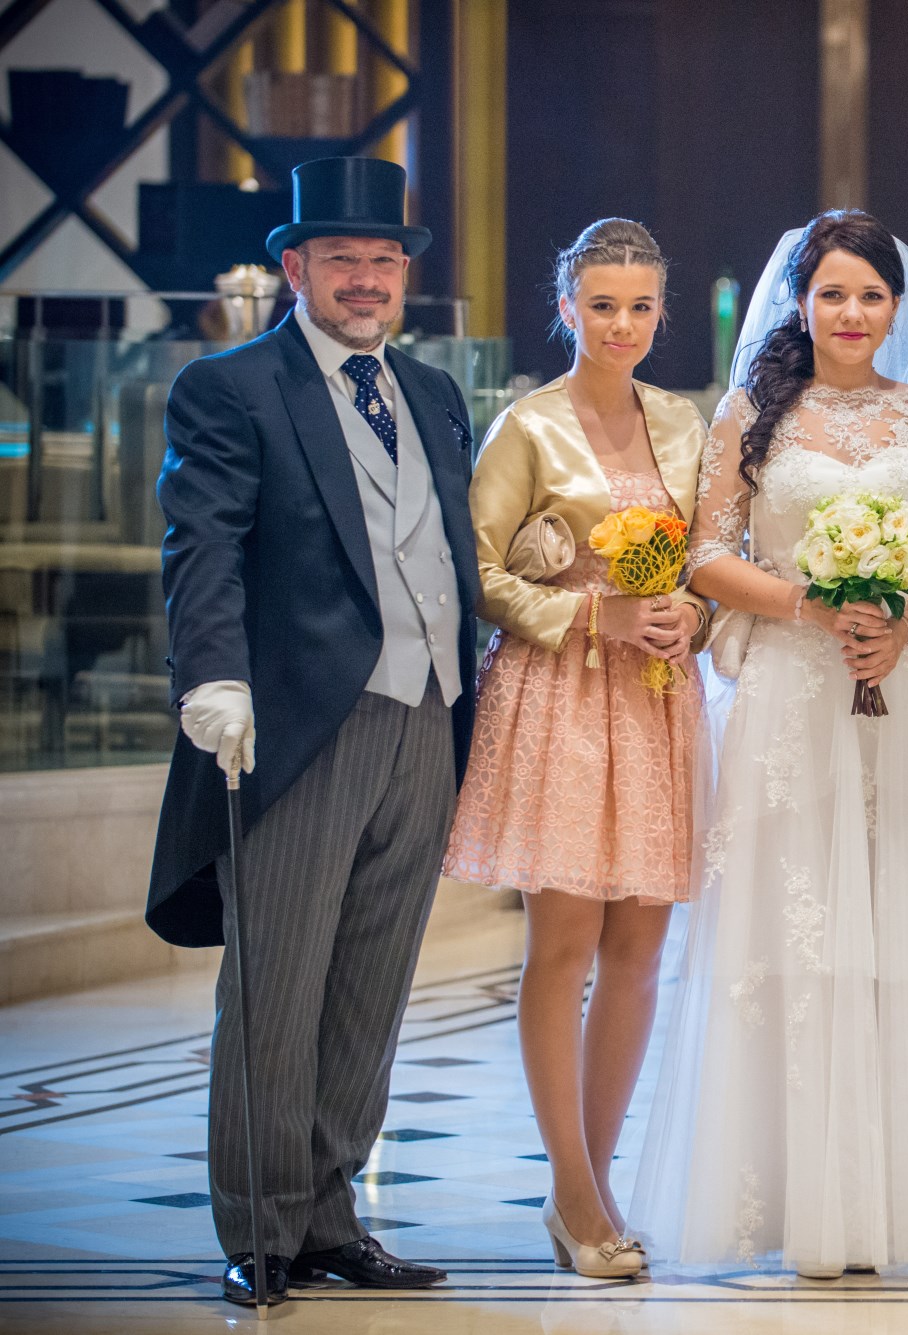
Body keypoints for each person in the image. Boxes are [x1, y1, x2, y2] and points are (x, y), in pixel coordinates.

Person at [627, 211, 908, 1276]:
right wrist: (811, 603)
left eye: (871, 295)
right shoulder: (750, 412)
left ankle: (902, 1200)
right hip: (791, 692)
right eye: (833, 293)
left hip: (903, 684)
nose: (852, 313)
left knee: (903, 927)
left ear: (898, 307)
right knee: (792, 925)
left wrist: (907, 618)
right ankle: (798, 1201)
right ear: (800, 303)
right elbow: (708, 553)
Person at [146, 157, 475, 1307]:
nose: (366, 278)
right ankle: (262, 1227)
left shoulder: (432, 391)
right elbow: (202, 545)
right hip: (298, 725)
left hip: (426, 716)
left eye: (383, 259)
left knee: (370, 986)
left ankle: (333, 1216)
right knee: (276, 988)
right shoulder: (230, 387)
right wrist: (213, 677)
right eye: (342, 259)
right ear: (295, 268)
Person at [441, 219, 709, 1278]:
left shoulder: (682, 421)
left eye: (639, 306)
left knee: (640, 951)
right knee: (563, 945)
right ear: (567, 309)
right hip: (559, 691)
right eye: (602, 305)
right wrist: (593, 614)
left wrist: (693, 614)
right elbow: (476, 572)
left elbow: (712, 559)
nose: (621, 325)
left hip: (656, 698)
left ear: (661, 311)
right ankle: (572, 1188)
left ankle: (590, 1189)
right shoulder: (527, 426)